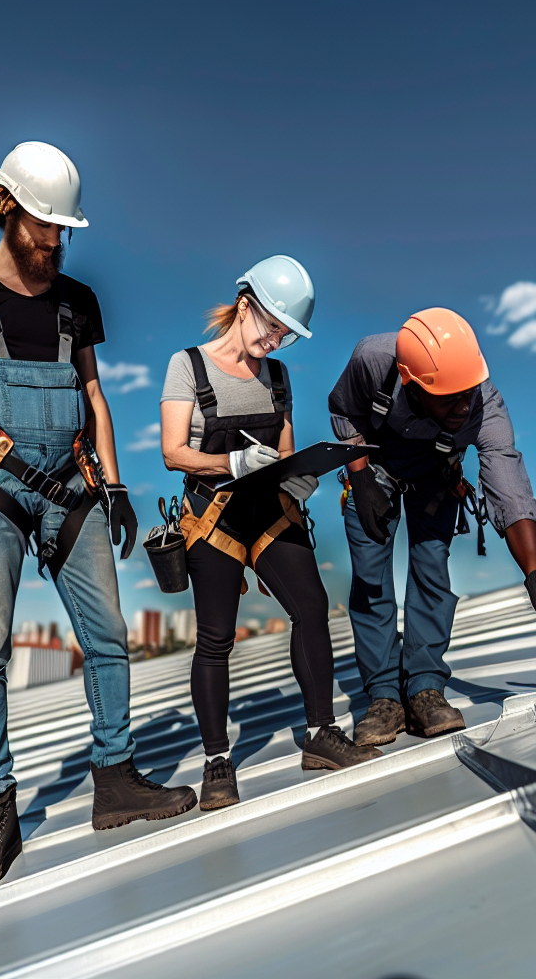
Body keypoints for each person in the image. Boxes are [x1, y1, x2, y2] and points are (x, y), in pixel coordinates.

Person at [0, 142, 195, 893]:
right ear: (9, 210)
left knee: (109, 640)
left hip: (73, 487)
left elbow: (94, 398)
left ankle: (115, 779)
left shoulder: (79, 301)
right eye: (44, 226)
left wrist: (118, 488)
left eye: (65, 229)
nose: (56, 241)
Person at [160, 255, 381, 810]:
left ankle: (321, 735)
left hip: (269, 511)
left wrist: (298, 477)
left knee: (311, 607)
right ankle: (217, 763)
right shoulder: (188, 365)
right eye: (272, 326)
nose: (277, 341)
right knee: (215, 638)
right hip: (214, 516)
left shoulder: (277, 378)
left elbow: (281, 454)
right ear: (244, 305)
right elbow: (172, 453)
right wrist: (232, 463)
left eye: (286, 334)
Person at [329, 308, 536, 745]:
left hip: (435, 474)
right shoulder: (371, 360)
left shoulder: (485, 403)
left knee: (431, 570)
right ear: (411, 381)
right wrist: (359, 478)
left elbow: (507, 481)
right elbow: (346, 411)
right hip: (371, 471)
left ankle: (424, 689)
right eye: (450, 397)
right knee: (371, 580)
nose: (464, 405)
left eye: (468, 393)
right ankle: (384, 697)